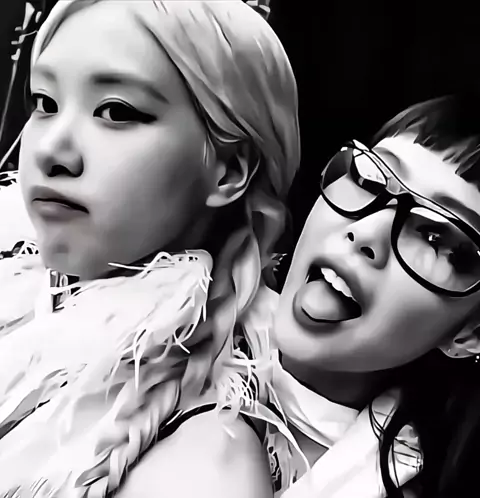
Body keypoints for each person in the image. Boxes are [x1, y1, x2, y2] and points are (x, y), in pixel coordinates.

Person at [0, 1, 300, 497]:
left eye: (115, 111)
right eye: (45, 102)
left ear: (228, 170)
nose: (51, 149)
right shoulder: (20, 299)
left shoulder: (206, 470)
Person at [265, 95, 480, 498]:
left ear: (472, 332)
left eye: (436, 238)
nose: (366, 231)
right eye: (368, 179)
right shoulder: (162, 302)